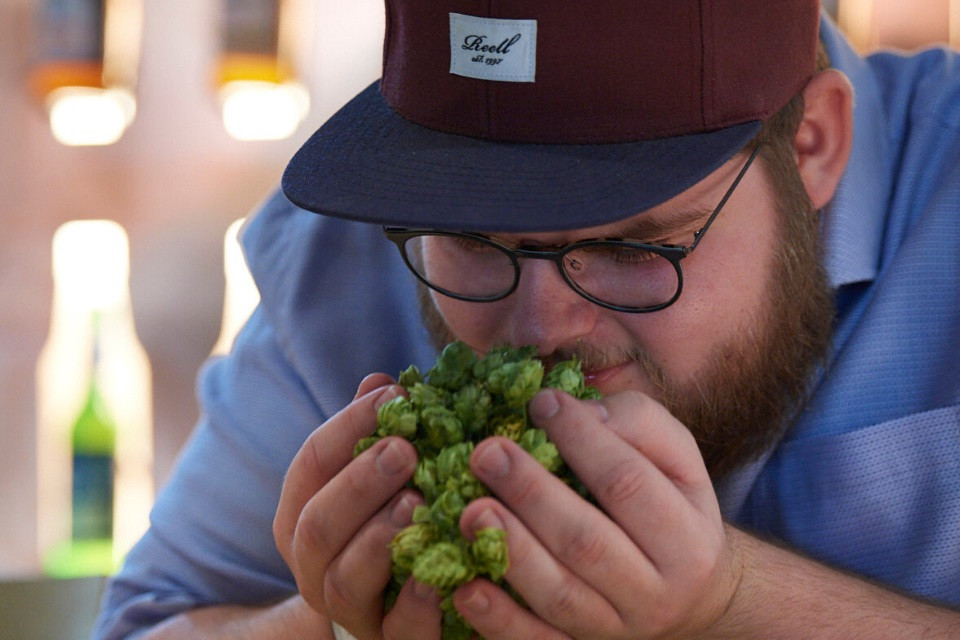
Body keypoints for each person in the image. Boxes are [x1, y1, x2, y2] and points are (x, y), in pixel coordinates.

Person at [93, 1, 960, 638]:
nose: (543, 330)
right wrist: (326, 622)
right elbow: (147, 623)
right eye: (474, 239)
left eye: (633, 245)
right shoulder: (348, 252)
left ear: (813, 144)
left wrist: (736, 601)